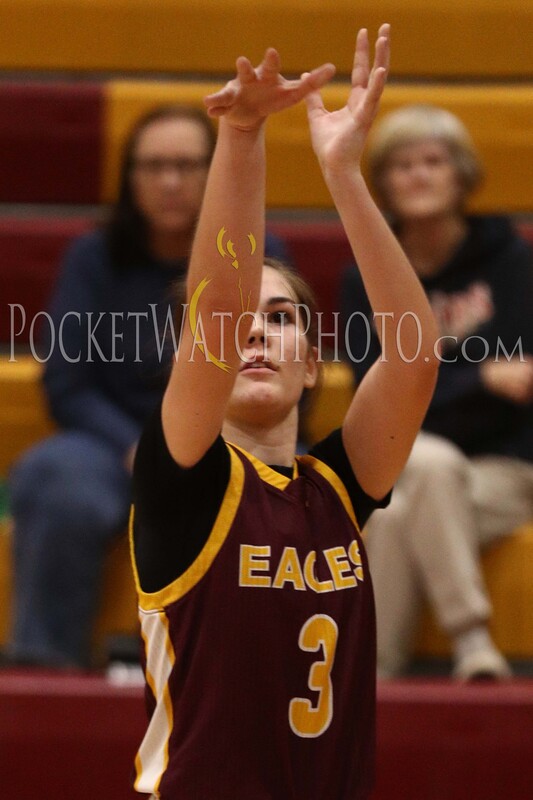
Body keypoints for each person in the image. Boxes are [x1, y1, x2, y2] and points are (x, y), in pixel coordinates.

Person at [130, 26, 439, 798]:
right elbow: (219, 311)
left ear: (311, 367)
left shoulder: (337, 487)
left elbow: (413, 355)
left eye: (284, 319)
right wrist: (241, 133)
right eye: (246, 322)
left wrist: (343, 173)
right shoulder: (185, 482)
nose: (257, 336)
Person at [4, 104, 287, 670]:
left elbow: (279, 365)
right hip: (115, 446)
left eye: (186, 165)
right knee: (53, 477)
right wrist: (142, 446)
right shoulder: (94, 256)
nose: (170, 182)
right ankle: (44, 669)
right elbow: (66, 380)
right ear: (130, 178)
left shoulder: (259, 250)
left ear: (215, 172)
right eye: (153, 166)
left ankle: (270, 672)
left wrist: (199, 445)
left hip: (230, 440)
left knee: (297, 488)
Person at [340, 104, 533, 680]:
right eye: (402, 165)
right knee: (425, 465)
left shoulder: (515, 261)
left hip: (507, 465)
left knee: (399, 513)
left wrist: (436, 387)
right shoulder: (365, 273)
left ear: (461, 175)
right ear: (384, 186)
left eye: (433, 161)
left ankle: (374, 675)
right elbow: (371, 389)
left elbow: (522, 383)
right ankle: (471, 642)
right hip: (412, 459)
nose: (418, 175)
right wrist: (478, 379)